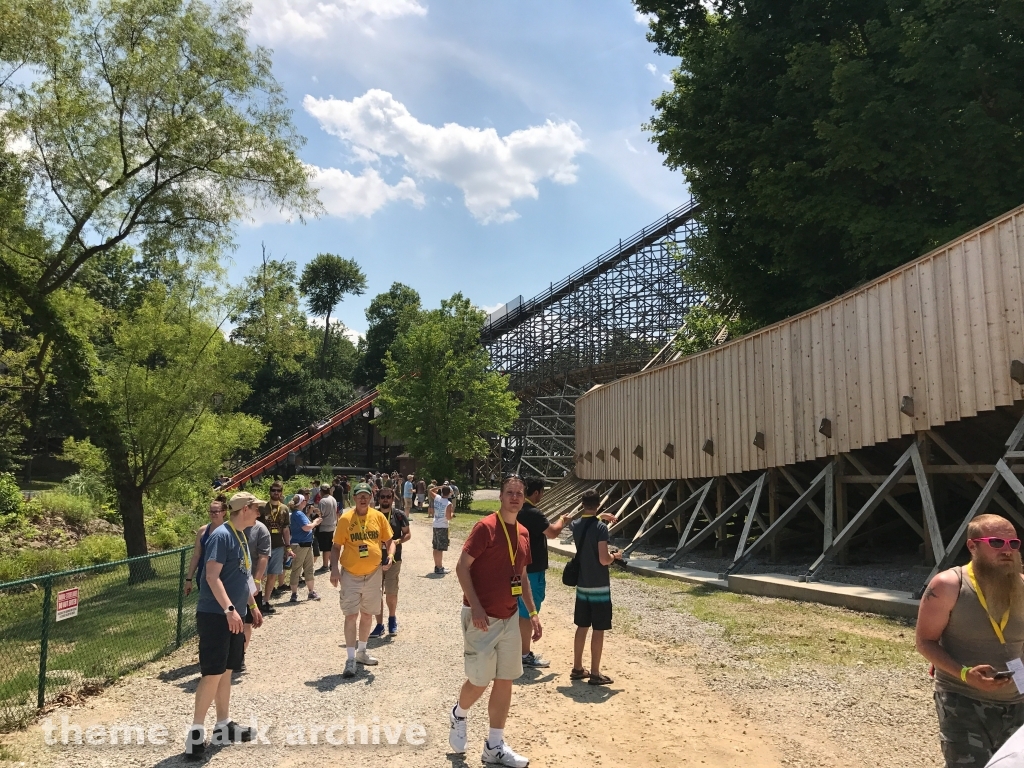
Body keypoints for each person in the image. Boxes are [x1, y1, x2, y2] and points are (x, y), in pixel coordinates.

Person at [917, 513, 1024, 766]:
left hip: (1018, 702)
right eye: (996, 543)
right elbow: (925, 642)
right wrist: (966, 674)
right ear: (972, 546)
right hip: (962, 700)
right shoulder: (947, 585)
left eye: (1013, 544)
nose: (1007, 550)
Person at [449, 476, 539, 768]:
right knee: (480, 680)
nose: (514, 497)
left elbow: (521, 576)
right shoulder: (485, 527)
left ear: (524, 498)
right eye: (509, 492)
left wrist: (533, 613)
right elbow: (462, 567)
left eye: (519, 493)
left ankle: (494, 746)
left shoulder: (523, 532)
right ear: (500, 496)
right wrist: (475, 606)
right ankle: (459, 714)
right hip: (482, 618)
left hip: (510, 617)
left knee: (505, 679)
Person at [184, 492, 265, 760]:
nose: (259, 513)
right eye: (256, 508)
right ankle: (195, 734)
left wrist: (252, 606)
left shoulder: (241, 535)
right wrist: (229, 609)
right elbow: (211, 576)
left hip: (235, 615)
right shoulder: (222, 536)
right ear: (245, 509)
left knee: (227, 671)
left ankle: (223, 725)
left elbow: (242, 577)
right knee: (212, 673)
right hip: (216, 615)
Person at [330, 482, 395, 677]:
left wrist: (390, 555)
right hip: (350, 574)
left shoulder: (378, 516)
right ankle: (350, 659)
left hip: (374, 574)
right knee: (351, 615)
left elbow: (389, 541)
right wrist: (334, 569)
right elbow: (336, 547)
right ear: (354, 498)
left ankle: (362, 652)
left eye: (367, 495)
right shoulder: (345, 519)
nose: (363, 498)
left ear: (371, 498)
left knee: (367, 614)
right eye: (360, 495)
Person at [516, 478, 570, 668]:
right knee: (527, 612)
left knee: (517, 610)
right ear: (536, 492)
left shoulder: (516, 510)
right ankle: (524, 655)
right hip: (532, 571)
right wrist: (562, 520)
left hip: (517, 568)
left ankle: (516, 651)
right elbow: (553, 532)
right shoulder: (533, 513)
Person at [570, 490, 622, 686]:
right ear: (599, 504)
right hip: (599, 585)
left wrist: (599, 515)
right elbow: (603, 559)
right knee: (598, 629)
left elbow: (584, 522)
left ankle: (577, 667)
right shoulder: (601, 528)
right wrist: (614, 556)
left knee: (582, 626)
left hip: (582, 584)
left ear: (582, 504)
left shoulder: (576, 525)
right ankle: (595, 672)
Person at [371, 487, 411, 637]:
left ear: (393, 499)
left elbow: (407, 534)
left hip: (393, 559)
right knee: (376, 593)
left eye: (388, 497)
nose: (385, 499)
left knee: (391, 592)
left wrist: (397, 541)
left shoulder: (399, 515)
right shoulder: (373, 515)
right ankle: (379, 625)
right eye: (383, 497)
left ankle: (392, 619)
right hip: (374, 560)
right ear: (378, 498)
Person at [257, 482, 292, 612]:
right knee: (261, 575)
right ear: (270, 491)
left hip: (278, 546)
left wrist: (288, 547)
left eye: (278, 490)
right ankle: (256, 601)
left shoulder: (284, 509)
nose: (276, 492)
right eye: (273, 490)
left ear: (281, 492)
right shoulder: (262, 508)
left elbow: (286, 529)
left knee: (273, 575)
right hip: (263, 547)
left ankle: (266, 601)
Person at [242, 514, 271, 667]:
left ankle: (240, 655)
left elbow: (263, 556)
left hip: (251, 581)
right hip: (232, 582)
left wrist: (257, 580)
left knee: (247, 622)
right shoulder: (231, 528)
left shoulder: (260, 529)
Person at [184, 499, 227, 597]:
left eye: (216, 512)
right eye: (211, 512)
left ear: (224, 512)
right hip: (203, 576)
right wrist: (188, 579)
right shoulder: (203, 531)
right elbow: (196, 556)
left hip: (224, 577)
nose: (213, 514)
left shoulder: (230, 530)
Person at [288, 494, 321, 602]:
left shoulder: (299, 513)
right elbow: (306, 527)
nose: (306, 502)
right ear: (301, 502)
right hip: (300, 545)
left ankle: (310, 592)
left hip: (306, 544)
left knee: (308, 569)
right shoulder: (298, 514)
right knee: (297, 569)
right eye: (305, 500)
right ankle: (294, 594)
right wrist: (315, 523)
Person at [429, 483, 454, 575]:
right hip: (443, 527)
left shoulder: (437, 498)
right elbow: (448, 517)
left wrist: (440, 487)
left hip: (435, 525)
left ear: (442, 492)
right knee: (440, 549)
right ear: (449, 493)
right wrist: (452, 513)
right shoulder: (448, 504)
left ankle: (437, 566)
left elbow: (430, 490)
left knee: (436, 547)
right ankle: (440, 568)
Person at [317, 483, 339, 572]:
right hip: (332, 525)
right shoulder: (333, 499)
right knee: (330, 546)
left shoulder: (323, 501)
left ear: (322, 491)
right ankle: (332, 564)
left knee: (325, 548)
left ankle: (325, 566)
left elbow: (320, 514)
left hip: (324, 526)